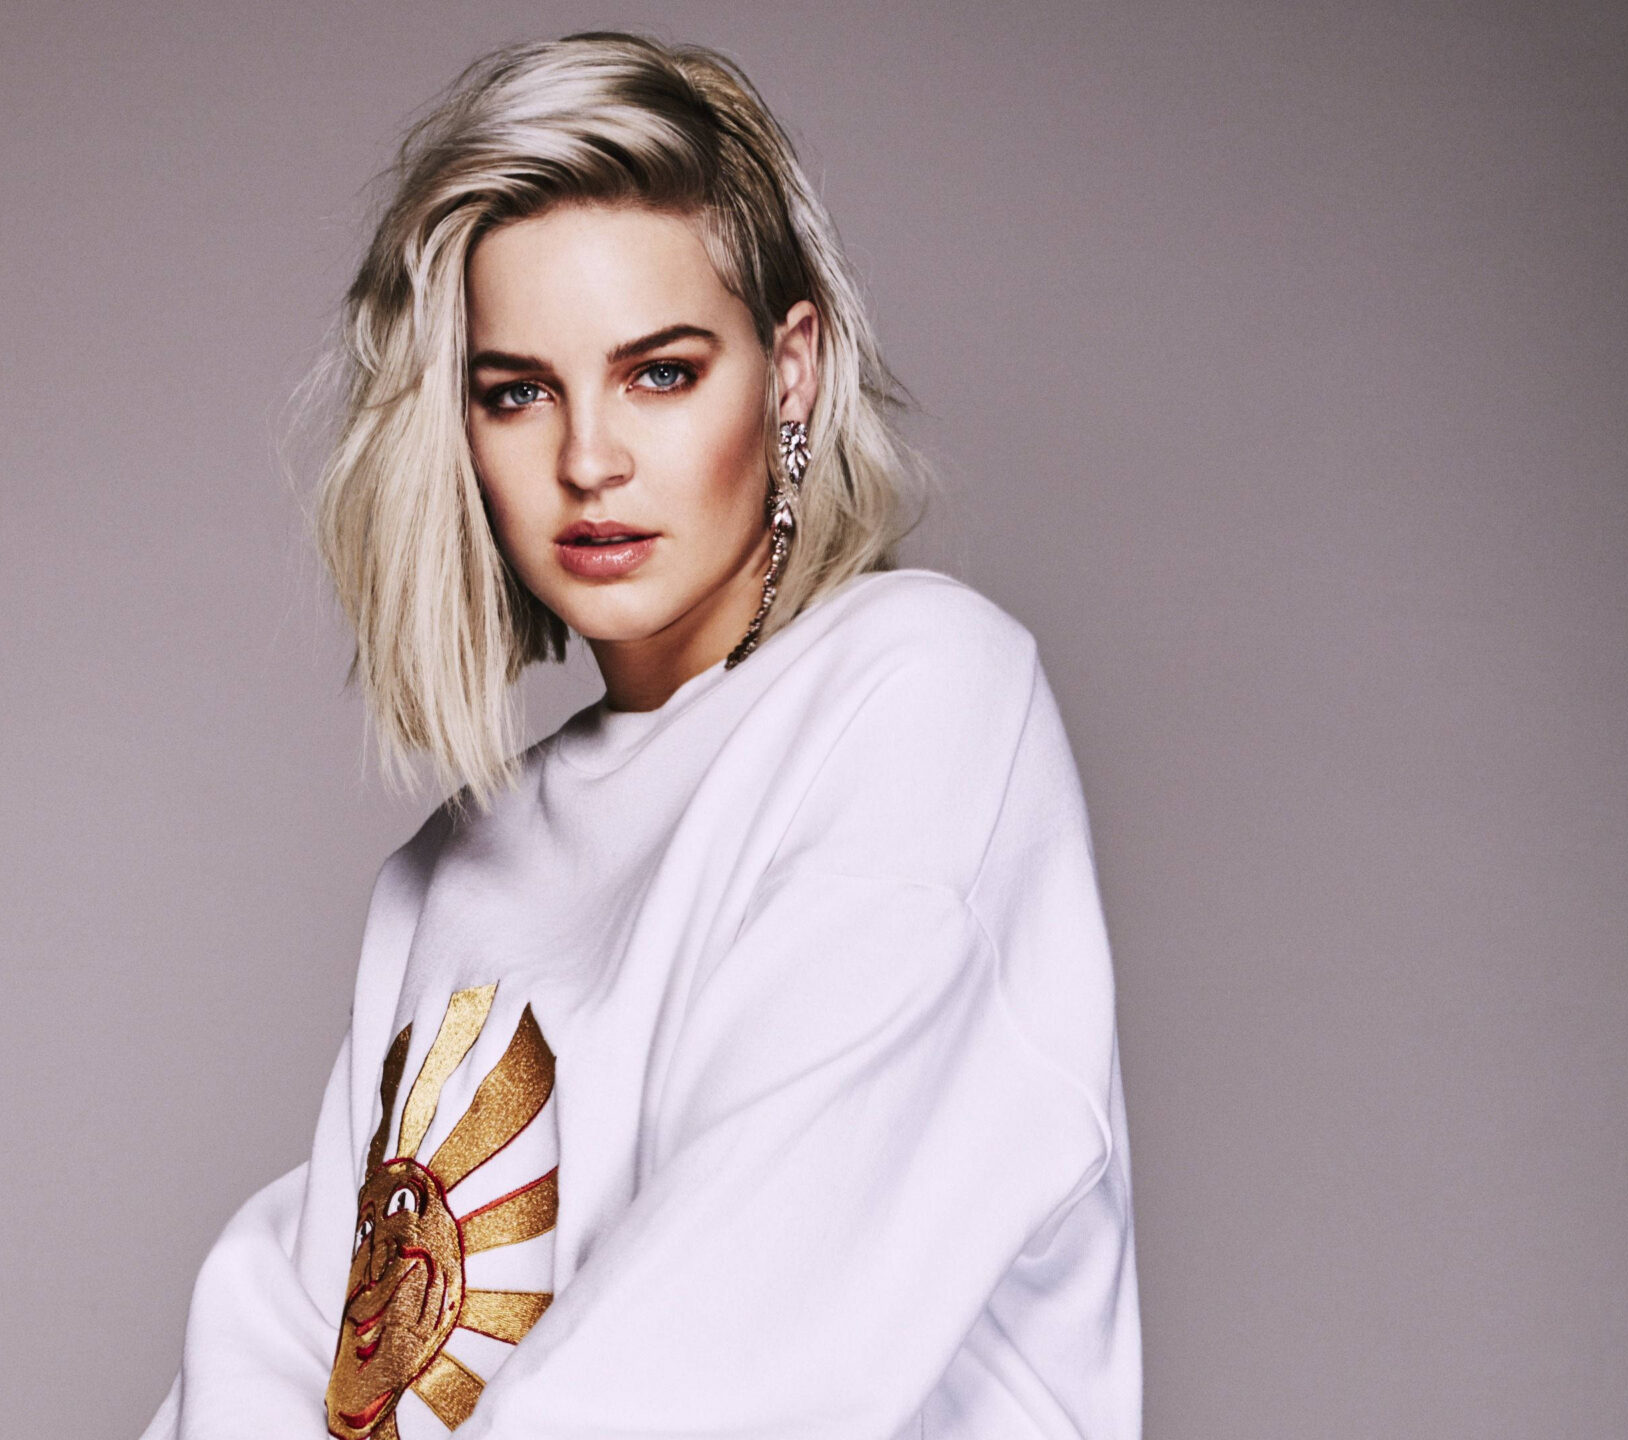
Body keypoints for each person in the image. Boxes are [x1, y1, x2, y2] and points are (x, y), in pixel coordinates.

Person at [142, 32, 1138, 1440]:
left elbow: (732, 1363)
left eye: (660, 374)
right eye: (518, 391)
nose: (588, 460)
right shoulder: (452, 868)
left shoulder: (919, 702)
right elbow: (297, 1360)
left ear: (790, 374)